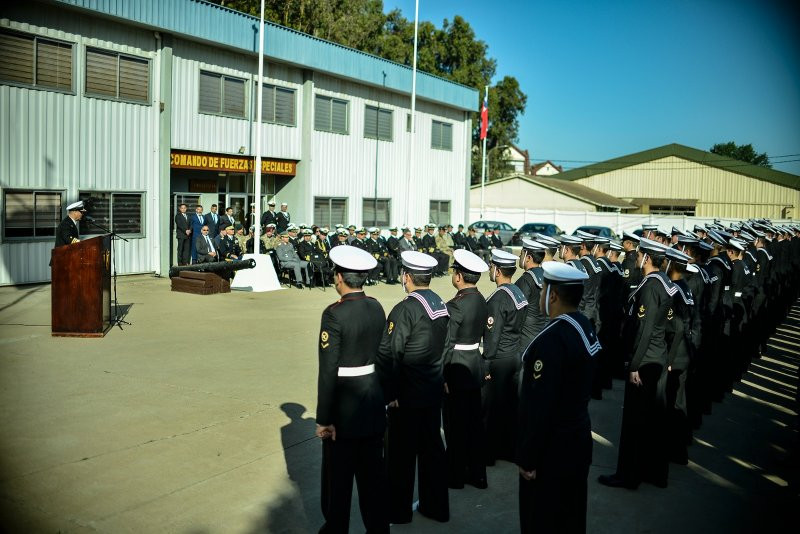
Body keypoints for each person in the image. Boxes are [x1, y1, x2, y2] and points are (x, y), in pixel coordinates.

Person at [516, 261, 598, 534]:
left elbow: (540, 407)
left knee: (542, 519)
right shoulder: (583, 324)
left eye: (542, 292)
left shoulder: (550, 340)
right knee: (571, 517)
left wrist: (528, 458)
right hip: (578, 440)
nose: (539, 298)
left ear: (552, 295)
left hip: (552, 451)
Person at [315, 245, 389, 534]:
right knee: (373, 482)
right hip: (372, 400)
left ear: (339, 277)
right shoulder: (376, 306)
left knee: (340, 484)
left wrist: (324, 418)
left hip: (345, 408)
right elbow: (383, 356)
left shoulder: (334, 313)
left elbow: (328, 370)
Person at [377, 251, 450, 524]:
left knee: (400, 456)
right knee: (432, 451)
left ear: (406, 276)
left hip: (406, 395)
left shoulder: (404, 308)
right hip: (431, 391)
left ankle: (398, 511)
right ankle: (436, 507)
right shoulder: (440, 303)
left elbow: (389, 354)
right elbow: (446, 345)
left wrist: (389, 394)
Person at [599, 237, 674, 490]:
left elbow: (645, 329)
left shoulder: (652, 286)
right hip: (657, 356)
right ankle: (652, 473)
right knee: (651, 421)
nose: (638, 256)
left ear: (647, 258)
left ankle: (628, 476)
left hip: (645, 361)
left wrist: (633, 366)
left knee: (634, 423)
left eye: (641, 253)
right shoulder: (663, 281)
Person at [442, 249, 490, 491]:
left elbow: (447, 343)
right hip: (475, 363)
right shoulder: (482, 299)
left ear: (458, 276)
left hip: (458, 366)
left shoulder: (455, 305)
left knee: (455, 426)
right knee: (474, 425)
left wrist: (442, 374)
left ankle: (456, 476)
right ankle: (478, 475)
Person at [483, 249, 528, 464]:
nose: (490, 271)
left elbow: (492, 336)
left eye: (492, 267)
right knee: (510, 407)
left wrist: (486, 364)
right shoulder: (517, 292)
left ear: (498, 270)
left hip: (499, 358)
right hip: (514, 355)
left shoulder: (498, 298)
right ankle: (508, 450)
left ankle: (489, 453)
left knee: (492, 409)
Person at [515, 238, 549, 352]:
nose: (520, 257)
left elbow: (517, 312)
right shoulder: (548, 276)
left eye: (521, 254)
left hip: (525, 339)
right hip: (543, 332)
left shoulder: (525, 280)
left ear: (528, 257)